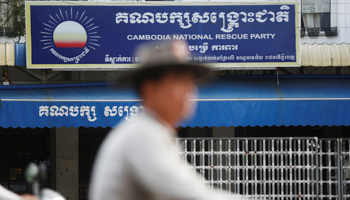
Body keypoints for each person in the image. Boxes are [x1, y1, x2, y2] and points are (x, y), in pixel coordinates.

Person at [89, 40, 245, 200]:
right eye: (179, 80)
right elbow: (190, 195)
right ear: (150, 89)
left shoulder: (154, 132)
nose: (189, 91)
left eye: (191, 82)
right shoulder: (142, 135)